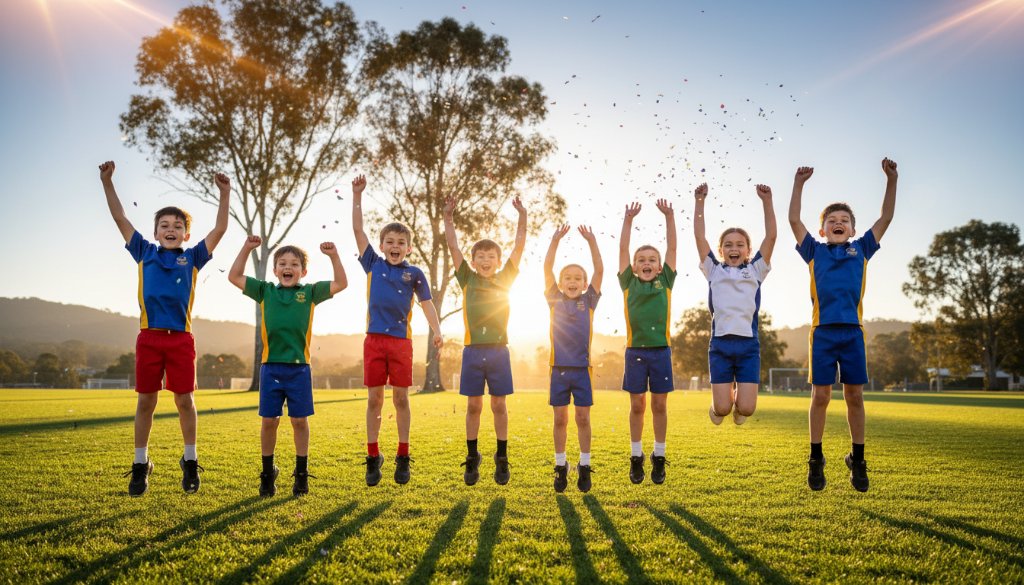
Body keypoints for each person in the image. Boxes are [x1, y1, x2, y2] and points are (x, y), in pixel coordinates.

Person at [99, 160, 229, 496]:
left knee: (185, 401)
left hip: (181, 341)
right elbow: (119, 217)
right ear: (156, 232)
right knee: (146, 402)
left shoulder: (194, 257)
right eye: (164, 225)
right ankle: (141, 464)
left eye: (177, 226)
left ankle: (189, 460)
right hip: (149, 339)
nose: (170, 229)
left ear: (186, 234)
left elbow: (219, 231)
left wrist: (225, 193)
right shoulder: (144, 251)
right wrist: (107, 182)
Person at [788, 158, 898, 492]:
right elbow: (794, 218)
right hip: (822, 333)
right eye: (832, 221)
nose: (838, 223)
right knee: (820, 395)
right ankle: (815, 457)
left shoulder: (862, 249)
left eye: (844, 220)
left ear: (852, 229)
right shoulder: (813, 251)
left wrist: (892, 179)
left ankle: (858, 459)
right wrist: (799, 183)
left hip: (853, 333)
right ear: (823, 230)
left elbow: (887, 217)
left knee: (854, 396)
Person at [228, 236, 347, 497]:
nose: (288, 267)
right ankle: (267, 474)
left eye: (294, 264)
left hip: (299, 369)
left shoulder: (310, 293)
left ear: (303, 272)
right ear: (275, 270)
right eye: (282, 263)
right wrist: (247, 248)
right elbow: (234, 276)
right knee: (269, 421)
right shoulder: (264, 291)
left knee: (298, 421)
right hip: (270, 368)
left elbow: (341, 283)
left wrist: (334, 256)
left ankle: (301, 474)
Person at [351, 175, 443, 486]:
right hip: (374, 341)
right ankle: (373, 455)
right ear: (381, 246)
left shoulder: (415, 273)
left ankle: (403, 456)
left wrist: (438, 330)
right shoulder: (373, 265)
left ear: (409, 248)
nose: (395, 246)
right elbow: (358, 230)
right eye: (389, 242)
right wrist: (357, 195)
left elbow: (427, 304)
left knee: (401, 399)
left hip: (401, 343)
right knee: (375, 400)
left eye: (401, 243)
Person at [443, 194, 527, 486]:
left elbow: (519, 246)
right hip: (472, 352)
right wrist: (448, 217)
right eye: (481, 257)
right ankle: (472, 456)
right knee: (474, 407)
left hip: (499, 352)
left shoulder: (505, 279)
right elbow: (453, 245)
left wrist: (522, 215)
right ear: (474, 261)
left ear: (498, 261)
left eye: (492, 257)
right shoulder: (467, 277)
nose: (486, 260)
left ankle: (501, 457)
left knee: (499, 406)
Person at [693, 183, 776, 426]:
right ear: (720, 250)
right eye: (728, 244)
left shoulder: (756, 269)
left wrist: (767, 201)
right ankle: (720, 408)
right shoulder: (713, 270)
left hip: (748, 346)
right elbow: (699, 236)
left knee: (747, 410)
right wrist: (700, 201)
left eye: (740, 244)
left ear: (749, 250)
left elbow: (771, 236)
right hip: (720, 345)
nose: (734, 248)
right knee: (721, 408)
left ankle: (740, 406)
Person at [618, 198, 677, 485]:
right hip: (634, 352)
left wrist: (669, 216)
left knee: (659, 406)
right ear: (633, 266)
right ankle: (636, 455)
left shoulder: (665, 280)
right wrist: (628, 220)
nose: (647, 263)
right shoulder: (628, 283)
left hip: (661, 352)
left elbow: (673, 248)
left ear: (659, 265)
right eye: (641, 259)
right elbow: (622, 249)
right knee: (638, 406)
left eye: (652, 259)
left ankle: (660, 455)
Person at [543, 223, 603, 493]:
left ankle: (585, 465)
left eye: (578, 277)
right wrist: (555, 241)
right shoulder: (554, 298)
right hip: (558, 370)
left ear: (585, 283)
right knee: (560, 420)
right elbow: (546, 268)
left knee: (582, 419)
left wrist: (591, 241)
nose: (572, 281)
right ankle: (560, 466)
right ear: (560, 282)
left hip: (582, 370)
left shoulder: (589, 300)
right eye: (567, 277)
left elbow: (600, 269)